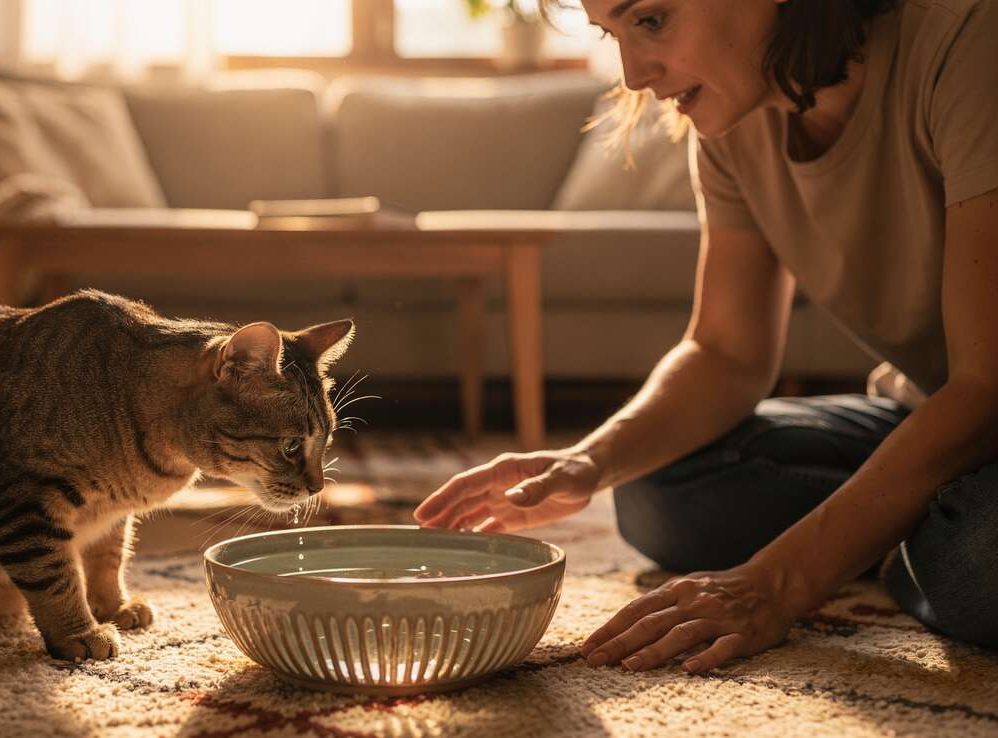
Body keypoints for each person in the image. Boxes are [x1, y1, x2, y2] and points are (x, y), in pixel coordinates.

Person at [415, 0, 998, 674]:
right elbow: (726, 352)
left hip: (981, 406)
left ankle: (903, 532)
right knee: (660, 488)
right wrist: (589, 461)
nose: (634, 75)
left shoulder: (968, 36)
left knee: (983, 557)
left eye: (652, 21)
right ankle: (905, 526)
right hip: (927, 410)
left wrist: (775, 582)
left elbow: (986, 388)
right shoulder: (737, 113)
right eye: (613, 33)